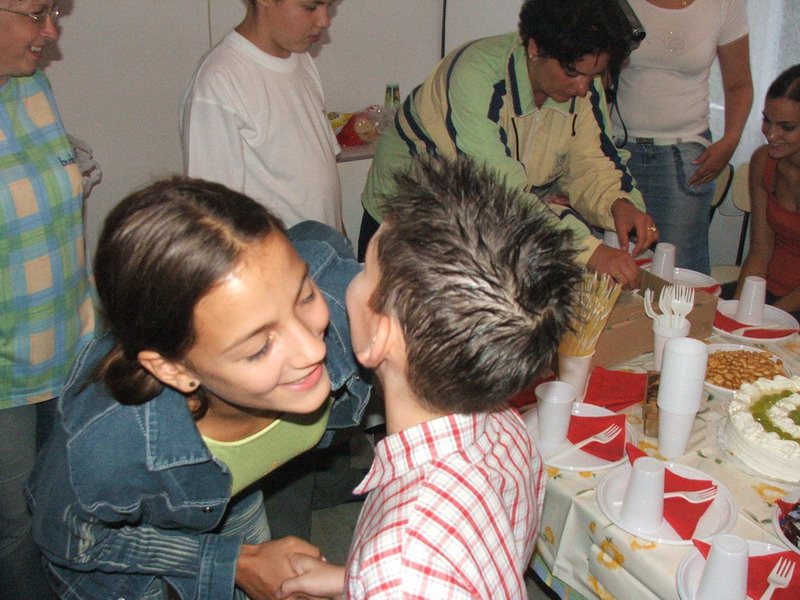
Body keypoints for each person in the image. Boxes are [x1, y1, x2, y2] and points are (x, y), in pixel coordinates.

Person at [26, 178, 370, 600]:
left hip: (228, 494)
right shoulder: (107, 445)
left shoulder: (337, 290)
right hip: (126, 553)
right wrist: (234, 562)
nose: (313, 348)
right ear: (174, 370)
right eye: (259, 348)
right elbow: (67, 536)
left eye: (304, 297)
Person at [278, 155, 582, 599]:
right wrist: (353, 579)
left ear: (378, 337)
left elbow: (412, 575)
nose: (353, 277)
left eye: (364, 269)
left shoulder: (399, 570)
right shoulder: (506, 429)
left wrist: (378, 581)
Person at [358, 0, 658, 288]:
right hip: (409, 222)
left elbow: (591, 161)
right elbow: (498, 191)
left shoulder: (583, 87)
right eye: (572, 73)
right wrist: (589, 251)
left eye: (594, 75)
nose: (583, 88)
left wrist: (618, 203)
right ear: (535, 49)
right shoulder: (475, 75)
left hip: (492, 225)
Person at [0, 3, 94, 599]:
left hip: (66, 345)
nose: (52, 31)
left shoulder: (31, 86)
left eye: (55, 11)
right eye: (37, 13)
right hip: (4, 376)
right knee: (15, 530)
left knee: (67, 508)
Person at [611, 0, 752, 274]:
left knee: (680, 272)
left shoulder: (724, 4)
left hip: (684, 155)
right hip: (616, 151)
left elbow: (739, 84)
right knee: (612, 268)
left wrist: (731, 141)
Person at [180, 0, 343, 231]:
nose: (325, 20)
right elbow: (213, 217)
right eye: (310, 7)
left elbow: (323, 183)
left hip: (327, 248)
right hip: (274, 251)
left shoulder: (300, 58)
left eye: (330, 6)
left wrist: (341, 241)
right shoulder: (218, 81)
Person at [731, 65, 800, 320]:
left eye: (787, 127)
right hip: (767, 293)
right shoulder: (763, 161)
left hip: (785, 306)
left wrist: (764, 319)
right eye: (766, 121)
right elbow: (760, 250)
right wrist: (738, 311)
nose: (771, 134)